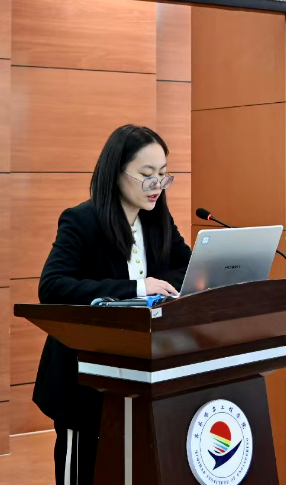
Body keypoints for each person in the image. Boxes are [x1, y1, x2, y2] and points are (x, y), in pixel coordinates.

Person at [33, 125, 190, 485]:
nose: (156, 185)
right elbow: (53, 287)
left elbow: (188, 268)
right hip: (85, 378)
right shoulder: (82, 220)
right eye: (147, 175)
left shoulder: (158, 220)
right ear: (116, 172)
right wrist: (137, 288)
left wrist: (164, 287)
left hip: (141, 375)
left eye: (163, 175)